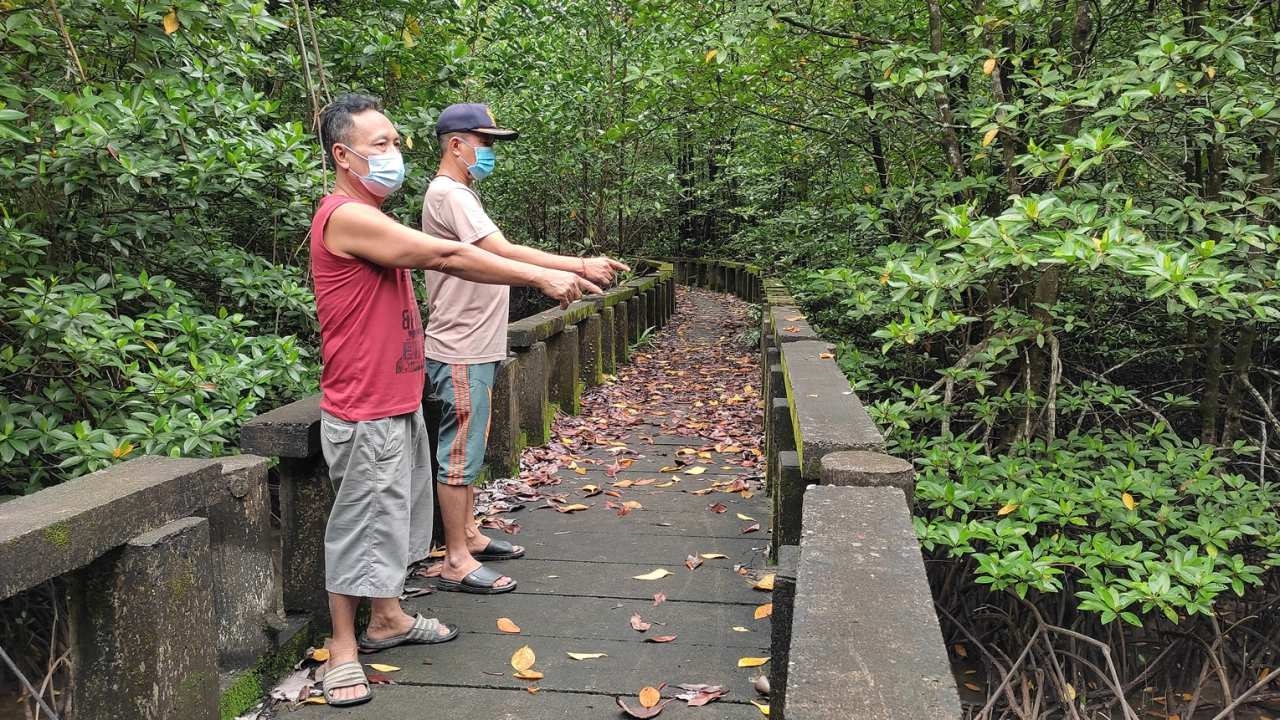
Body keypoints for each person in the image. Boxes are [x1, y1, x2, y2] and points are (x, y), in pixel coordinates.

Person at [309, 93, 601, 707]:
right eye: (379, 145)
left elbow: (459, 261)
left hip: (395, 397)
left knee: (391, 521)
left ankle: (387, 619)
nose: (393, 155)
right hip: (362, 405)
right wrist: (543, 276)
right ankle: (342, 649)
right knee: (358, 523)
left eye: (395, 143)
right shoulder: (345, 216)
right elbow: (447, 254)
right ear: (343, 155)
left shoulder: (377, 217)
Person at [422, 103, 629, 594]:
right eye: (484, 142)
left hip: (477, 343)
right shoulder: (448, 193)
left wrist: (574, 269)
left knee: (473, 445)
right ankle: (454, 558)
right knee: (459, 451)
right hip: (459, 345)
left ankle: (469, 535)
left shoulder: (462, 194)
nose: (489, 151)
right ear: (457, 145)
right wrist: (576, 266)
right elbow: (505, 252)